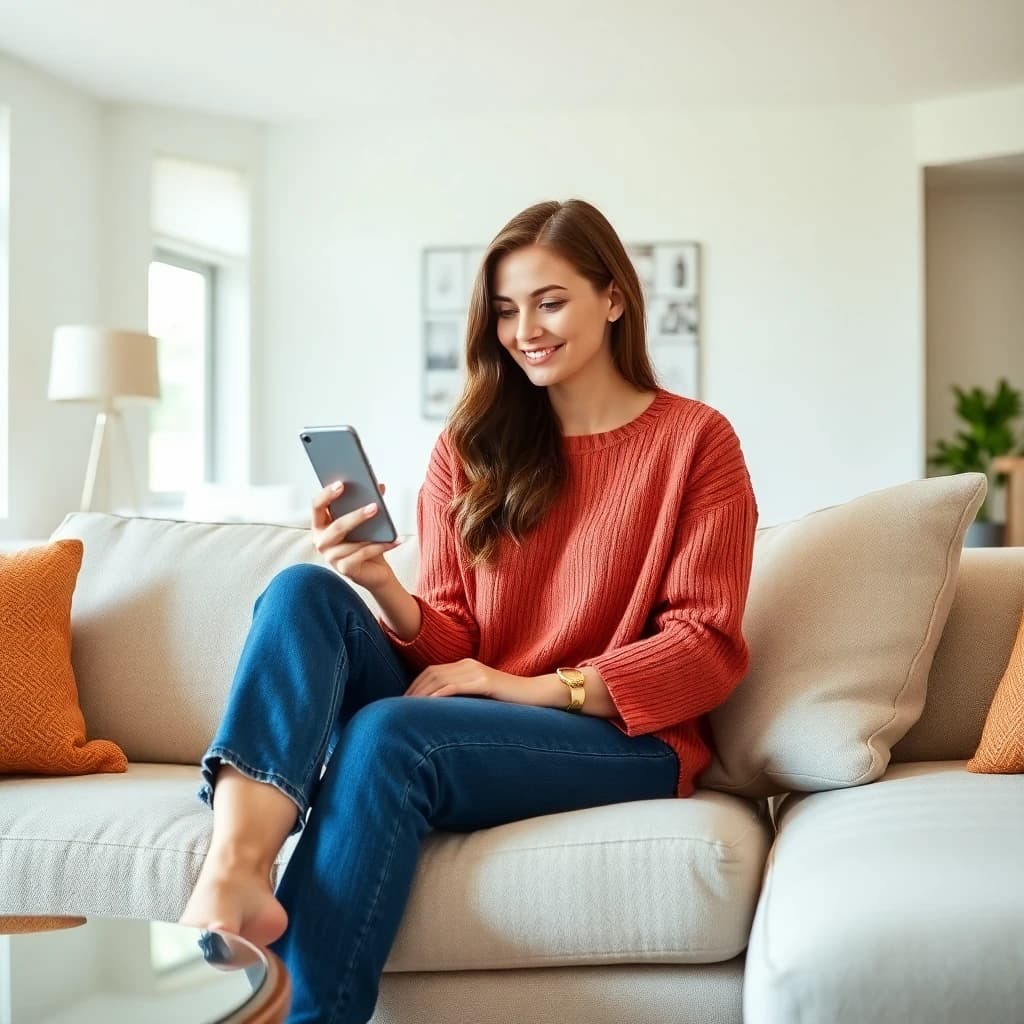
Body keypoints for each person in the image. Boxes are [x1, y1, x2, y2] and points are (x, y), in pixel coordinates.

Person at [179, 198, 759, 1023]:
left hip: (624, 738)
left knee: (387, 734)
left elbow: (703, 650)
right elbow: (451, 632)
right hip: (478, 712)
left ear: (615, 298)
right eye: (505, 310)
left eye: (550, 301)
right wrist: (382, 583)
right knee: (303, 592)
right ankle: (236, 867)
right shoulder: (471, 444)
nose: (525, 329)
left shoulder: (697, 441)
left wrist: (520, 687)